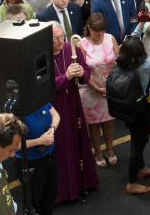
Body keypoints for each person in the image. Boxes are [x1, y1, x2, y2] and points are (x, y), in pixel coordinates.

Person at [49, 22, 99, 204]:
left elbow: (86, 72)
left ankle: (83, 185)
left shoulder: (71, 48)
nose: (60, 41)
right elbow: (42, 86)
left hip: (73, 104)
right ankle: (64, 192)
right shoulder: (41, 54)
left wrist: (80, 74)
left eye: (61, 36)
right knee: (62, 148)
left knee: (78, 143)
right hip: (55, 107)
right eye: (55, 38)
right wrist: (66, 77)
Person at [106, 35, 150, 196]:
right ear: (139, 53)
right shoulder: (143, 67)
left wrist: (141, 25)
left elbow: (129, 38)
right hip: (142, 110)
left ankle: (142, 168)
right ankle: (132, 183)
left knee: (136, 139)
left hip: (128, 109)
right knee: (138, 144)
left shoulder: (120, 60)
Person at [78, 13, 119, 168]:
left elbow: (118, 60)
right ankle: (98, 151)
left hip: (109, 88)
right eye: (97, 31)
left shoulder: (110, 38)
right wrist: (96, 87)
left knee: (109, 122)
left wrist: (111, 85)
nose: (100, 34)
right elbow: (82, 70)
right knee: (94, 125)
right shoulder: (82, 44)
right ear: (89, 28)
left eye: (102, 31)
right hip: (90, 89)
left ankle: (110, 148)